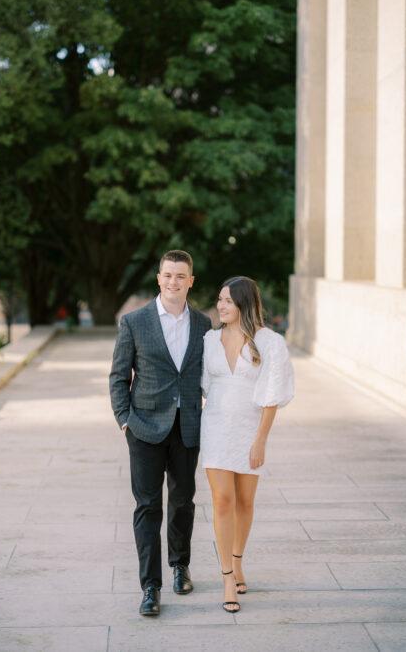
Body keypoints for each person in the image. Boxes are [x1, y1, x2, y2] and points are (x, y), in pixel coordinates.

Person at [109, 250, 211, 616]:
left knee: (183, 501)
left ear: (190, 281)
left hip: (187, 428)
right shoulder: (134, 322)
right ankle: (151, 587)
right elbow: (119, 376)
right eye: (168, 275)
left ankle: (180, 566)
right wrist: (125, 420)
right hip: (144, 428)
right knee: (148, 506)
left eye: (180, 276)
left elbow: (209, 375)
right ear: (158, 278)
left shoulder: (203, 325)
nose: (173, 282)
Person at [200, 276, 294, 612]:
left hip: (249, 430)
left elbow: (272, 396)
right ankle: (227, 575)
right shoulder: (209, 340)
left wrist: (261, 441)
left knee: (245, 501)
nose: (220, 306)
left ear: (244, 303)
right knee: (222, 501)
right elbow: (202, 385)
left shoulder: (268, 342)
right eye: (219, 299)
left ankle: (238, 559)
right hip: (214, 429)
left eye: (227, 300)